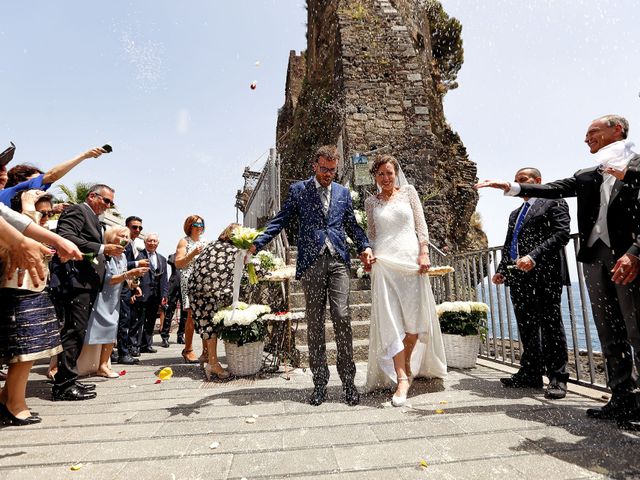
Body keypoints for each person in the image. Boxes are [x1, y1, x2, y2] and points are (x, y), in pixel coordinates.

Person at [475, 114, 640, 427]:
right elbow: (551, 189)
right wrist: (508, 186)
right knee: (610, 332)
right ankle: (622, 399)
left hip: (628, 258)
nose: (586, 138)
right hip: (594, 259)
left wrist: (635, 253)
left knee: (637, 330)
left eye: (592, 131)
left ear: (616, 130)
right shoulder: (587, 174)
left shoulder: (638, 166)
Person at [250, 145, 372, 406]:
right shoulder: (299, 191)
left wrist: (365, 246)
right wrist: (258, 242)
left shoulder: (342, 193)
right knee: (315, 323)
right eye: (324, 169)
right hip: (311, 262)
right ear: (314, 166)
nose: (328, 174)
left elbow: (352, 224)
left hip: (339, 260)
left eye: (332, 169)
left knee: (342, 315)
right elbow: (280, 219)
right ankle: (319, 382)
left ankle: (348, 381)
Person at [363, 155, 447, 406]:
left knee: (414, 322)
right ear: (374, 177)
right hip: (385, 264)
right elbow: (372, 234)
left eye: (389, 173)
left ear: (396, 174)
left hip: (411, 262)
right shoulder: (370, 202)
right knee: (391, 321)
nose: (386, 178)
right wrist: (369, 255)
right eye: (380, 174)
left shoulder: (409, 193)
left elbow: (421, 226)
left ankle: (407, 363)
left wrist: (424, 251)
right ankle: (401, 377)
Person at [492, 168, 571, 399]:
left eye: (523, 181)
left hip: (545, 274)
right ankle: (531, 373)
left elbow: (561, 234)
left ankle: (558, 378)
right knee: (526, 325)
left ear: (537, 181)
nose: (520, 185)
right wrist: (501, 270)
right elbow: (510, 243)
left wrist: (534, 256)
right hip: (518, 276)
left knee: (550, 325)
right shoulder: (515, 214)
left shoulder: (553, 201)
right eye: (517, 181)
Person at [0, 206, 81, 425]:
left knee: (32, 344)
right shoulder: (19, 200)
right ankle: (14, 404)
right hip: (17, 283)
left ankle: (10, 398)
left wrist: (56, 241)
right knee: (25, 345)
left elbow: (17, 222)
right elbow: (19, 223)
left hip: (30, 284)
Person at [49, 184, 125, 401]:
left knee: (78, 332)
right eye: (106, 201)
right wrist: (102, 249)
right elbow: (65, 237)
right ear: (92, 196)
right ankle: (63, 385)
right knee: (73, 332)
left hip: (87, 284)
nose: (109, 206)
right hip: (75, 283)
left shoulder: (93, 218)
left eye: (111, 203)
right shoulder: (78, 211)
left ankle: (69, 378)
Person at [77, 226, 148, 378]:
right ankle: (83, 365)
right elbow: (107, 280)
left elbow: (122, 277)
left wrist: (133, 285)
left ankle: (103, 365)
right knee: (93, 331)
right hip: (100, 298)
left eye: (127, 237)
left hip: (114, 299)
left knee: (111, 332)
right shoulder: (105, 255)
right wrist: (128, 274)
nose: (126, 239)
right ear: (111, 237)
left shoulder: (122, 257)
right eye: (122, 235)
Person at [189, 223, 252, 380]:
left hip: (197, 289)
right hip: (208, 291)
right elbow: (244, 268)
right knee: (211, 325)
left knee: (207, 324)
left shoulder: (213, 245)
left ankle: (207, 357)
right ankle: (213, 364)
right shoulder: (232, 250)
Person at [0, 146, 107, 206]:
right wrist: (84, 156)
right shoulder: (12, 193)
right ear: (20, 181)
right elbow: (52, 175)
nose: (42, 185)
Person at [116, 216, 149, 365]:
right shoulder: (124, 243)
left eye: (140, 228)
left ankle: (121, 351)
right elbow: (122, 264)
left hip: (127, 286)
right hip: (119, 286)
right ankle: (122, 353)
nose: (137, 230)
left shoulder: (134, 244)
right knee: (123, 321)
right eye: (134, 227)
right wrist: (137, 263)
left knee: (125, 320)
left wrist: (135, 286)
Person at [175, 215, 208, 364]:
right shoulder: (184, 241)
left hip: (203, 280)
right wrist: (193, 253)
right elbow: (178, 264)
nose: (199, 226)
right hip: (188, 279)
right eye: (196, 224)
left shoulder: (205, 242)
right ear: (190, 225)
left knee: (205, 314)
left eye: (201, 224)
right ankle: (188, 349)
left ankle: (206, 351)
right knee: (191, 315)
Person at [134, 233, 168, 353]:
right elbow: (135, 274)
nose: (152, 243)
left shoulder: (162, 259)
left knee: (151, 320)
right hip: (142, 293)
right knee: (139, 320)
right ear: (145, 242)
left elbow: (164, 279)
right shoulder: (139, 256)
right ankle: (135, 346)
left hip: (155, 295)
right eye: (150, 241)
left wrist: (164, 295)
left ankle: (146, 345)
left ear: (158, 243)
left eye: (155, 241)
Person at [159, 253, 187, 347]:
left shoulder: (190, 256)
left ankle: (180, 335)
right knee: (169, 312)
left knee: (185, 314)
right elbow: (171, 261)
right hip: (173, 285)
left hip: (185, 285)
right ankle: (165, 336)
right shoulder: (173, 256)